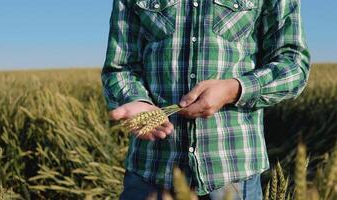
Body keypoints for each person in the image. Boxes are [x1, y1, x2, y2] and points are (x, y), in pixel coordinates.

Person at [101, 0, 310, 199]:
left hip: (232, 174)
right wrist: (136, 99)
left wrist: (233, 89)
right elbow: (120, 67)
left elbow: (292, 64)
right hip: (151, 170)